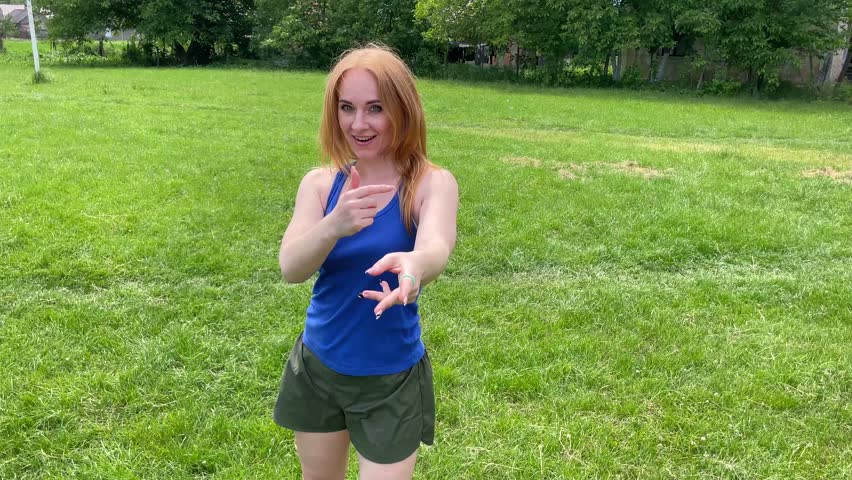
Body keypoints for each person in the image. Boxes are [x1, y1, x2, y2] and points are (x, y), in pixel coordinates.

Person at [273, 44, 459, 480]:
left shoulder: (431, 183)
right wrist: (333, 225)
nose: (359, 124)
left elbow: (436, 246)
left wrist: (415, 265)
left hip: (389, 380)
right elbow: (291, 268)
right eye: (347, 108)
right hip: (317, 369)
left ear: (402, 109)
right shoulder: (321, 184)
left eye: (376, 108)